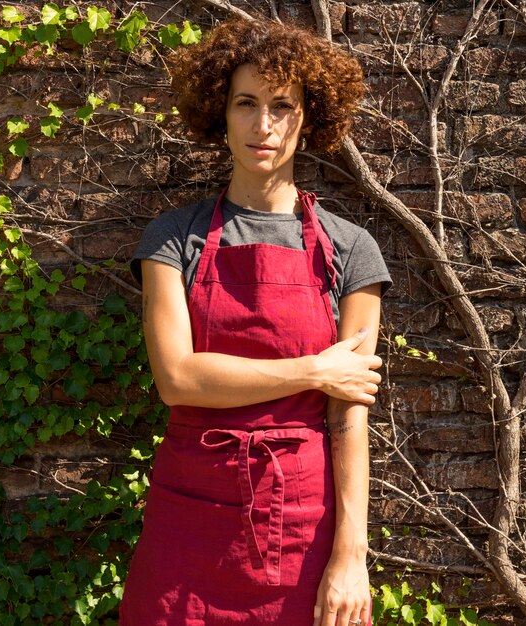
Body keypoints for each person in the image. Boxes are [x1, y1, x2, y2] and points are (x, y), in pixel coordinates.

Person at [120, 17, 392, 626]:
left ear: (308, 117)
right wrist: (315, 369)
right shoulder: (173, 239)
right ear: (220, 112)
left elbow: (349, 411)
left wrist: (351, 557)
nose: (262, 125)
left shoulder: (350, 250)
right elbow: (179, 380)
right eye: (246, 103)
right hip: (187, 520)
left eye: (281, 106)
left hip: (300, 523)